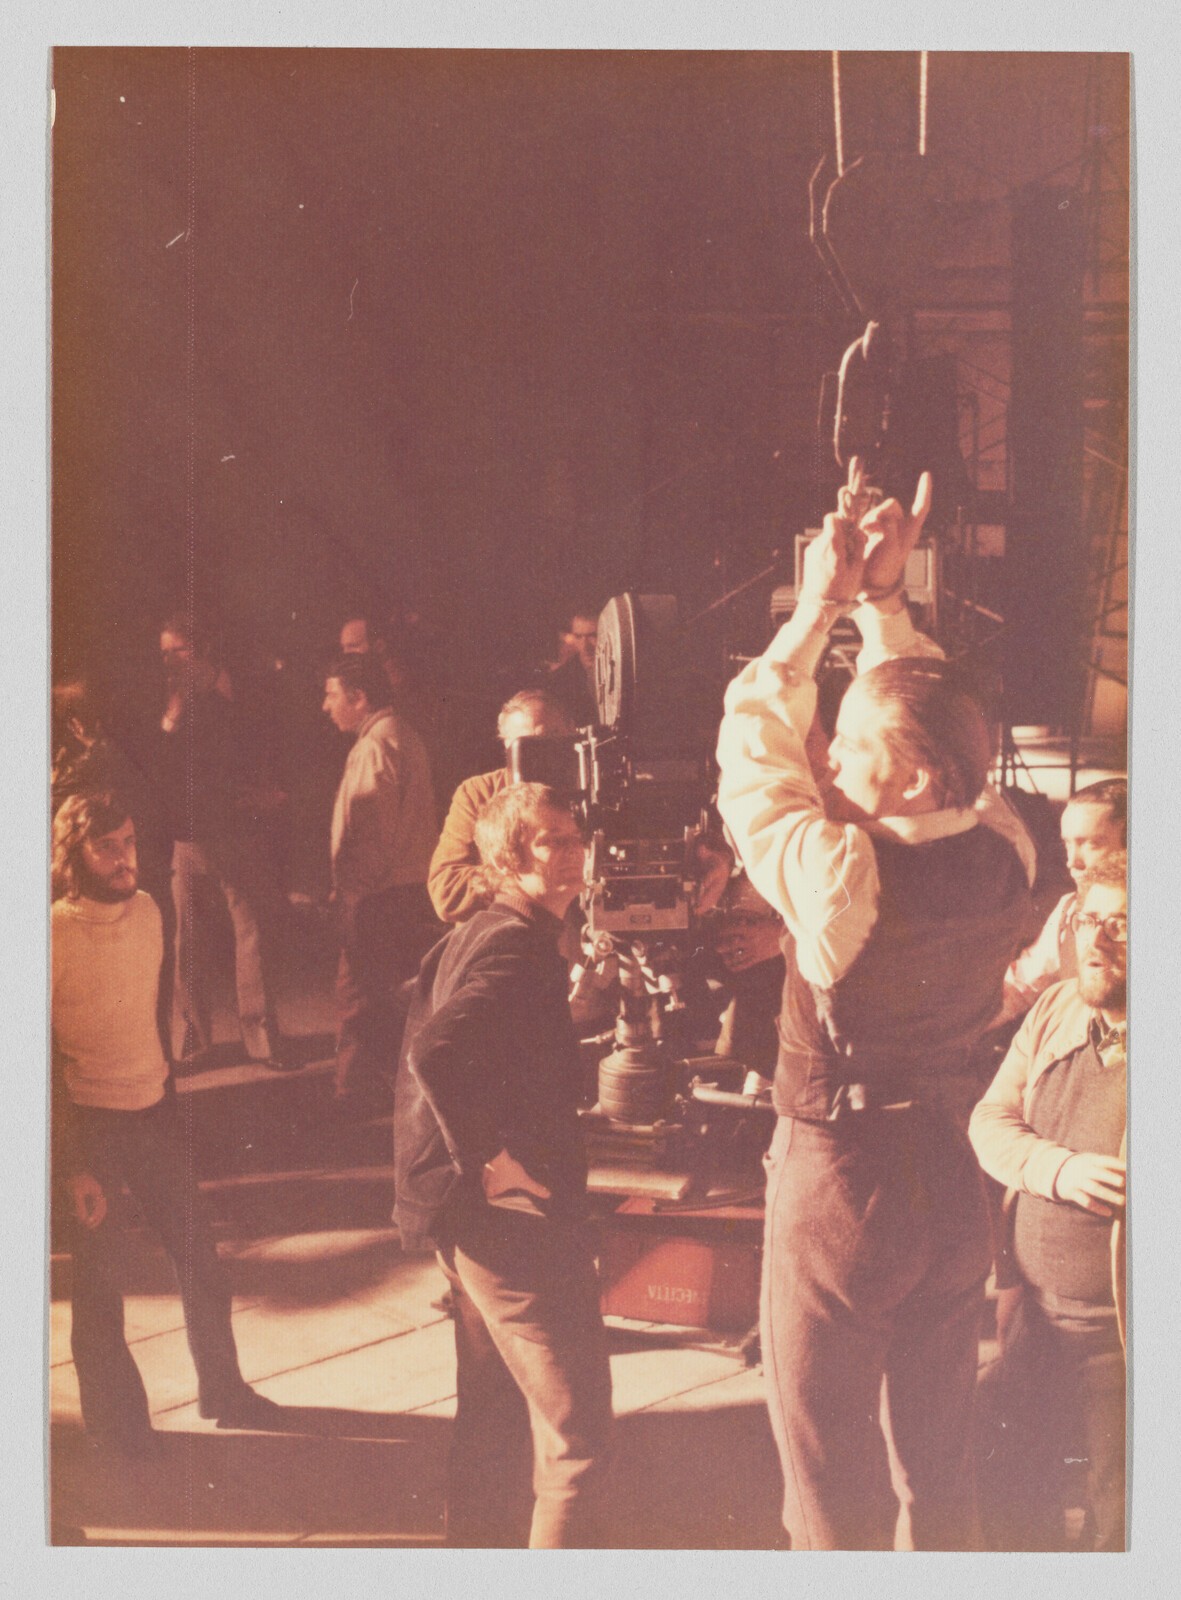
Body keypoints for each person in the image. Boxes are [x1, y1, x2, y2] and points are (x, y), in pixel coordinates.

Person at [715, 465, 1033, 1550]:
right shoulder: (1009, 847)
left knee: (823, 1480)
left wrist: (817, 606)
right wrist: (885, 605)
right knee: (938, 1470)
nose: (830, 762)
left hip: (842, 1193)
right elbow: (939, 720)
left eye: (848, 750)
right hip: (951, 1183)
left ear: (907, 781)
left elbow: (751, 754)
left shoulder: (841, 874)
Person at [394, 783, 614, 1548]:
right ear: (511, 859)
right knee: (577, 1441)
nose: (575, 849)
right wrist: (490, 1160)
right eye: (553, 841)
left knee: (490, 1412)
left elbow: (485, 1045)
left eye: (574, 835)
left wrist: (575, 1014)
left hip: (462, 1220)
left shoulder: (496, 930)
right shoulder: (516, 945)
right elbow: (436, 1053)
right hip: (505, 1224)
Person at [51, 792, 283, 1455]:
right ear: (75, 855)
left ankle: (225, 1390)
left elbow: (152, 1013)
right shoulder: (53, 931)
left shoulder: (151, 910)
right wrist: (71, 1164)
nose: (124, 857)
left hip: (152, 1115)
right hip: (91, 1126)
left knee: (202, 1264)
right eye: (106, 846)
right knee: (99, 1287)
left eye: (127, 840)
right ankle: (119, 1429)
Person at [969, 852, 1127, 1551]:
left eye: (1125, 925)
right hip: (1031, 1317)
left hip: (1124, 1345)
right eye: (1090, 919)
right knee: (1005, 1496)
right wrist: (1055, 1170)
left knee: (1121, 1519)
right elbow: (988, 1120)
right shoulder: (1060, 1005)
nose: (1098, 941)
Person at [156, 612, 288, 1069]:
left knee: (252, 931)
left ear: (204, 650)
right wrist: (171, 717)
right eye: (164, 654)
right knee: (185, 938)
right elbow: (159, 763)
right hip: (188, 835)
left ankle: (263, 1036)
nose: (170, 662)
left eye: (179, 650)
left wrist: (274, 793)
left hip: (238, 826)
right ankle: (195, 1038)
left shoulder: (245, 689)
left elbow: (274, 739)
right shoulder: (170, 701)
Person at [323, 651, 440, 1114]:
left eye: (332, 695)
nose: (325, 706)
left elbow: (372, 835)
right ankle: (381, 1093)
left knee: (361, 999)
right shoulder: (398, 736)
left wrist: (350, 898)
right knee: (391, 999)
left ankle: (354, 1097)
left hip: (379, 898)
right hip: (403, 893)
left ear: (360, 697)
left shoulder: (376, 746)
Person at [427, 688, 576, 925]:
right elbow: (447, 891)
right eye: (525, 746)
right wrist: (530, 874)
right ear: (506, 746)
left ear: (572, 733)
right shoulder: (479, 794)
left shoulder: (595, 788)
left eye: (550, 739)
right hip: (505, 938)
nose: (540, 752)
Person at [997, 778, 1126, 1025]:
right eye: (1067, 843)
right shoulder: (1070, 910)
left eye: (1091, 844)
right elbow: (1023, 985)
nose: (1072, 862)